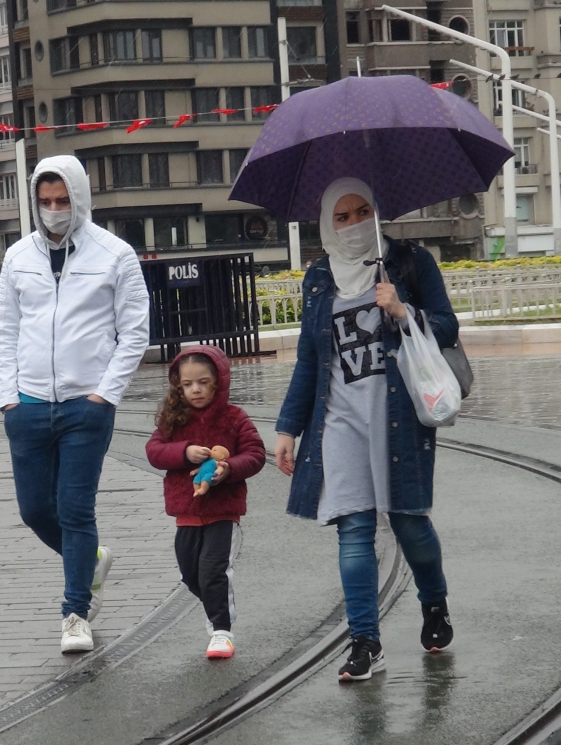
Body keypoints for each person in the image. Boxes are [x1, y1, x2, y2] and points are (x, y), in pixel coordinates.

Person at [274, 177, 458, 682]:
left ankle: (434, 602)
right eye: (342, 216)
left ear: (377, 213)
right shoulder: (318, 278)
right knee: (353, 529)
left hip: (399, 414)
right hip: (341, 419)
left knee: (408, 523)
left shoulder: (410, 262)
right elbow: (309, 361)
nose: (354, 224)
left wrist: (403, 309)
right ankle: (364, 641)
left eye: (362, 212)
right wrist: (289, 427)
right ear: (327, 223)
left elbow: (447, 326)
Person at [0, 155, 150, 654]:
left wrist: (105, 395)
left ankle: (75, 613)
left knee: (75, 509)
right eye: (45, 202)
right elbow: (4, 332)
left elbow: (134, 332)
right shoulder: (18, 257)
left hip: (87, 405)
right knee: (36, 510)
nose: (54, 211)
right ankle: (91, 560)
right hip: (29, 406)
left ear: (79, 198)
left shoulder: (115, 254)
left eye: (63, 201)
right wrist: (9, 398)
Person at [145, 346, 265, 660]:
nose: (195, 389)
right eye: (187, 384)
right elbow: (154, 452)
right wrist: (183, 452)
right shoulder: (173, 420)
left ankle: (221, 630)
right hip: (186, 511)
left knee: (213, 570)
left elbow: (254, 455)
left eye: (203, 382)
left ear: (218, 382)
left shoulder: (234, 417)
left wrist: (228, 470)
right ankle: (218, 602)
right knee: (190, 573)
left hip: (223, 510)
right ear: (178, 386)